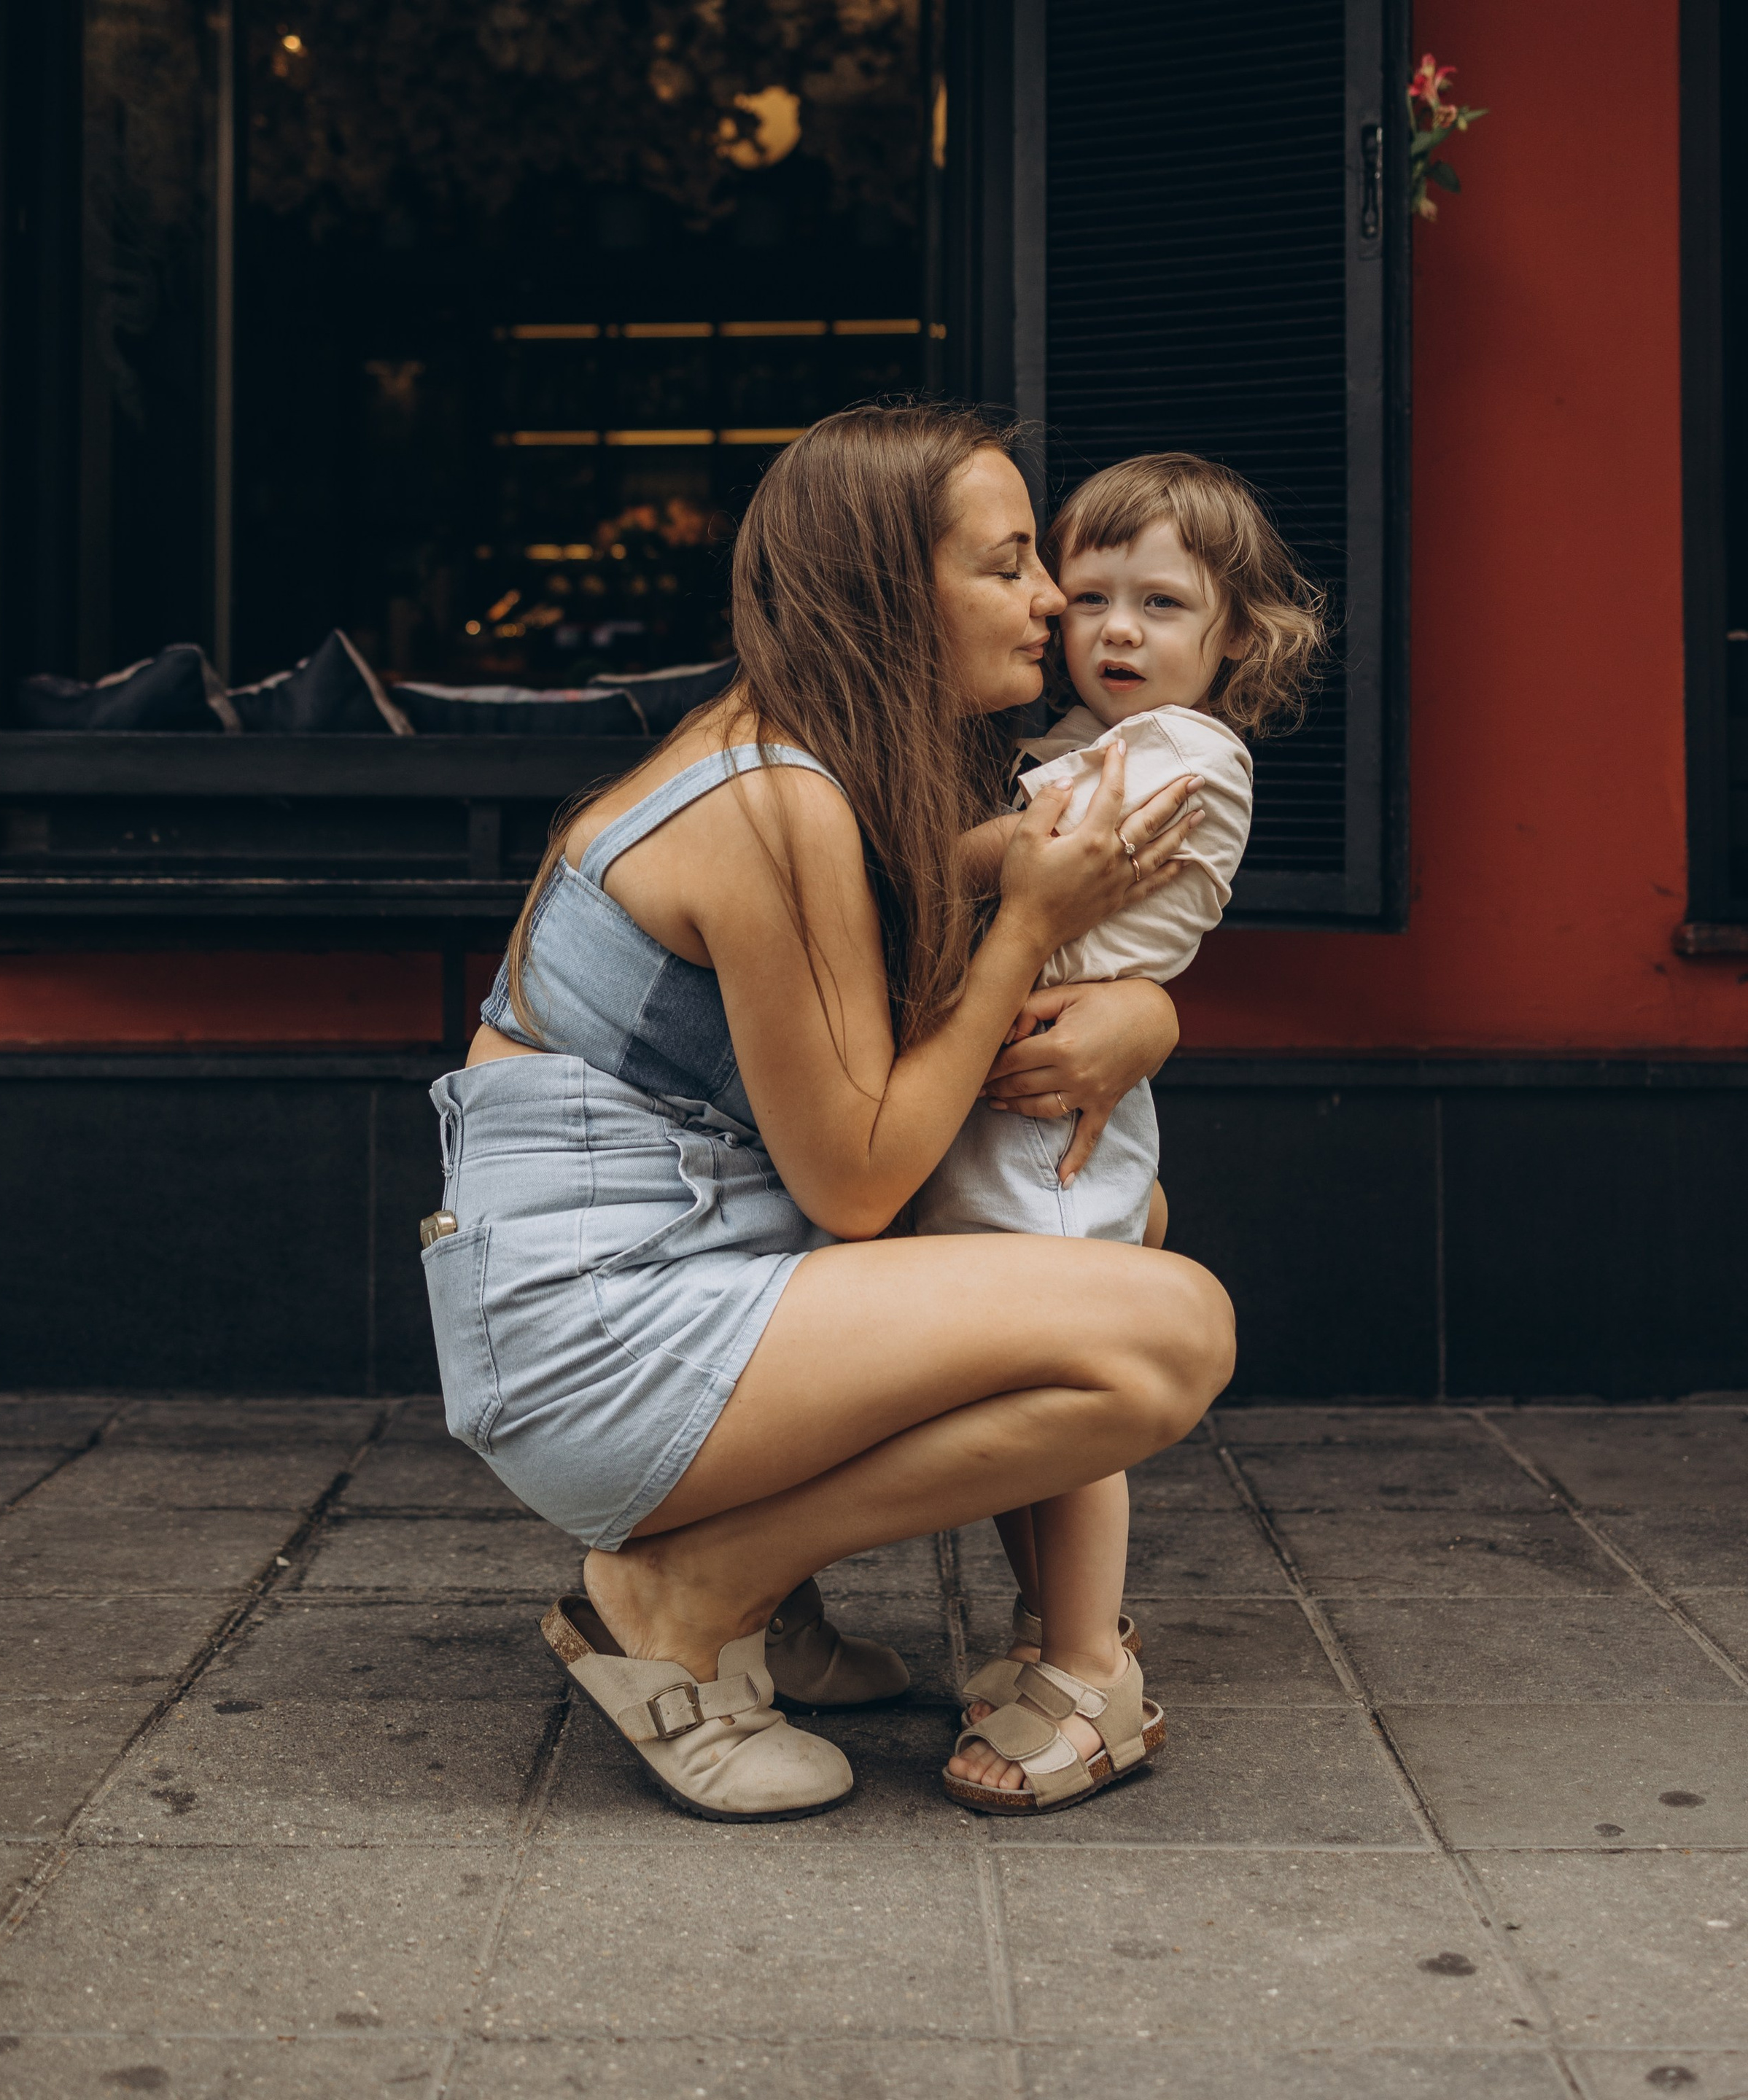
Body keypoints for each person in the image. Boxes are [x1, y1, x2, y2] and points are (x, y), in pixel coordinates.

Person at [422, 402, 1236, 1823]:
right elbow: (862, 1174)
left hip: (669, 1279)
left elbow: (903, 1076)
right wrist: (1017, 934)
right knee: (1167, 1334)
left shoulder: (820, 767)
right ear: (883, 591)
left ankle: (761, 1598)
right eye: (1005, 567)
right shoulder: (766, 801)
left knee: (1121, 1222)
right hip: (590, 1342)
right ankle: (686, 1592)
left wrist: (1140, 1014)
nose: (1050, 599)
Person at [917, 452, 1325, 1811]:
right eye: (1088, 597)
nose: (1115, 630)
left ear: (1237, 637)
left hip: (1046, 1122)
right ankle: (1049, 1640)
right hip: (1026, 1091)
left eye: (1160, 603)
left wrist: (894, 845)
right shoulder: (1086, 750)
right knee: (1009, 1396)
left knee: (1068, 1408)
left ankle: (1092, 1676)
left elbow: (1023, 866)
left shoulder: (1178, 753)